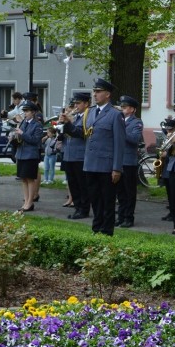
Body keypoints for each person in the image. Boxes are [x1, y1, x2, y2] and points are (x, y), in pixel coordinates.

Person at [62, 79, 125, 235]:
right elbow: (81, 134)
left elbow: (119, 143)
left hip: (106, 165)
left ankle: (106, 231)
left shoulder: (115, 114)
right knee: (95, 199)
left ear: (107, 94)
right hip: (90, 164)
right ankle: (96, 228)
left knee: (107, 200)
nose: (95, 94)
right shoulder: (89, 113)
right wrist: (67, 125)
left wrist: (116, 167)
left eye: (98, 91)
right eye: (94, 91)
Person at [60, 93, 92, 219]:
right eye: (75, 104)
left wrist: (68, 123)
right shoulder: (75, 116)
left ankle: (84, 209)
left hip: (80, 155)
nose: (76, 106)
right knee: (73, 183)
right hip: (69, 154)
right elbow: (65, 134)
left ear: (86, 104)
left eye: (78, 103)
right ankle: (77, 207)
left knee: (82, 184)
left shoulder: (87, 117)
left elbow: (80, 133)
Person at [116, 95, 144, 228]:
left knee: (129, 192)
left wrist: (121, 130)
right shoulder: (118, 119)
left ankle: (129, 218)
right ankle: (120, 216)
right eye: (121, 106)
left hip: (129, 161)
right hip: (118, 160)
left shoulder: (136, 122)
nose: (122, 109)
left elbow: (134, 139)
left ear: (132, 109)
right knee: (120, 192)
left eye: (125, 107)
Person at [13, 103, 43, 213]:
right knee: (23, 179)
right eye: (24, 111)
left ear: (33, 112)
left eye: (27, 111)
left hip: (31, 155)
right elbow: (19, 137)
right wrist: (13, 137)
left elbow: (35, 140)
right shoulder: (23, 123)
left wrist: (22, 133)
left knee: (30, 179)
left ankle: (30, 202)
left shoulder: (37, 125)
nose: (25, 113)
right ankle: (25, 201)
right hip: (21, 154)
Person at [159, 118, 175, 221]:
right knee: (169, 193)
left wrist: (166, 155)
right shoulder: (167, 137)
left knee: (173, 193)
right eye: (167, 129)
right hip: (166, 168)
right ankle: (171, 211)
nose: (168, 131)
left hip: (172, 168)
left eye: (170, 129)